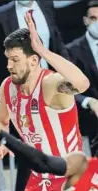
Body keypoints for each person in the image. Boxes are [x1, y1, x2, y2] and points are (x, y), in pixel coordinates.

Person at [0, 12, 89, 191]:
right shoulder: (8, 87)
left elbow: (82, 84)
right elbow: (1, 121)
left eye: (15, 59)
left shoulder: (50, 85)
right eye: (8, 59)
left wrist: (44, 50)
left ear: (33, 60)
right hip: (38, 182)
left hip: (69, 178)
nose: (9, 65)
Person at [67, 0, 98, 156]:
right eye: (93, 18)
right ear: (86, 21)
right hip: (88, 124)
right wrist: (89, 102)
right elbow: (66, 88)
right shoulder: (72, 51)